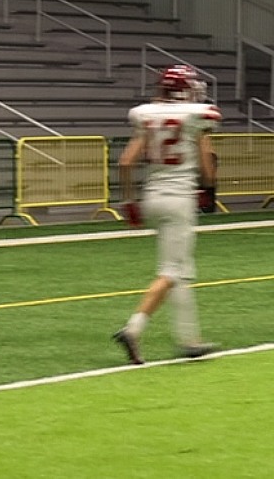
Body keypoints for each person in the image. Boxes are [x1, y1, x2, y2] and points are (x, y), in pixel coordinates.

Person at [111, 64, 220, 364]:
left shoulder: (146, 115)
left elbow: (125, 163)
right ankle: (133, 328)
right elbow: (208, 174)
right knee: (171, 271)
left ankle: (190, 340)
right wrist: (206, 149)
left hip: (151, 197)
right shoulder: (196, 117)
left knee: (181, 271)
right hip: (178, 200)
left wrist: (129, 203)